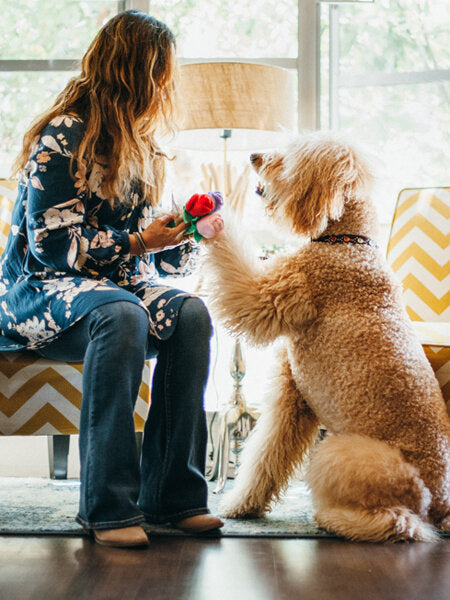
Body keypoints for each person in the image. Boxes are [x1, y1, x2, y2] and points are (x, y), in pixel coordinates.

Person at [0, 10, 225, 548]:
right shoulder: (63, 136)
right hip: (37, 291)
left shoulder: (142, 145)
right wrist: (144, 241)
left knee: (190, 314)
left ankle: (173, 498)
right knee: (121, 314)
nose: (170, 85)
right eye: (164, 73)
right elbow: (56, 248)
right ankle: (107, 507)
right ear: (139, 74)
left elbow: (151, 266)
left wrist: (187, 234)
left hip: (111, 289)